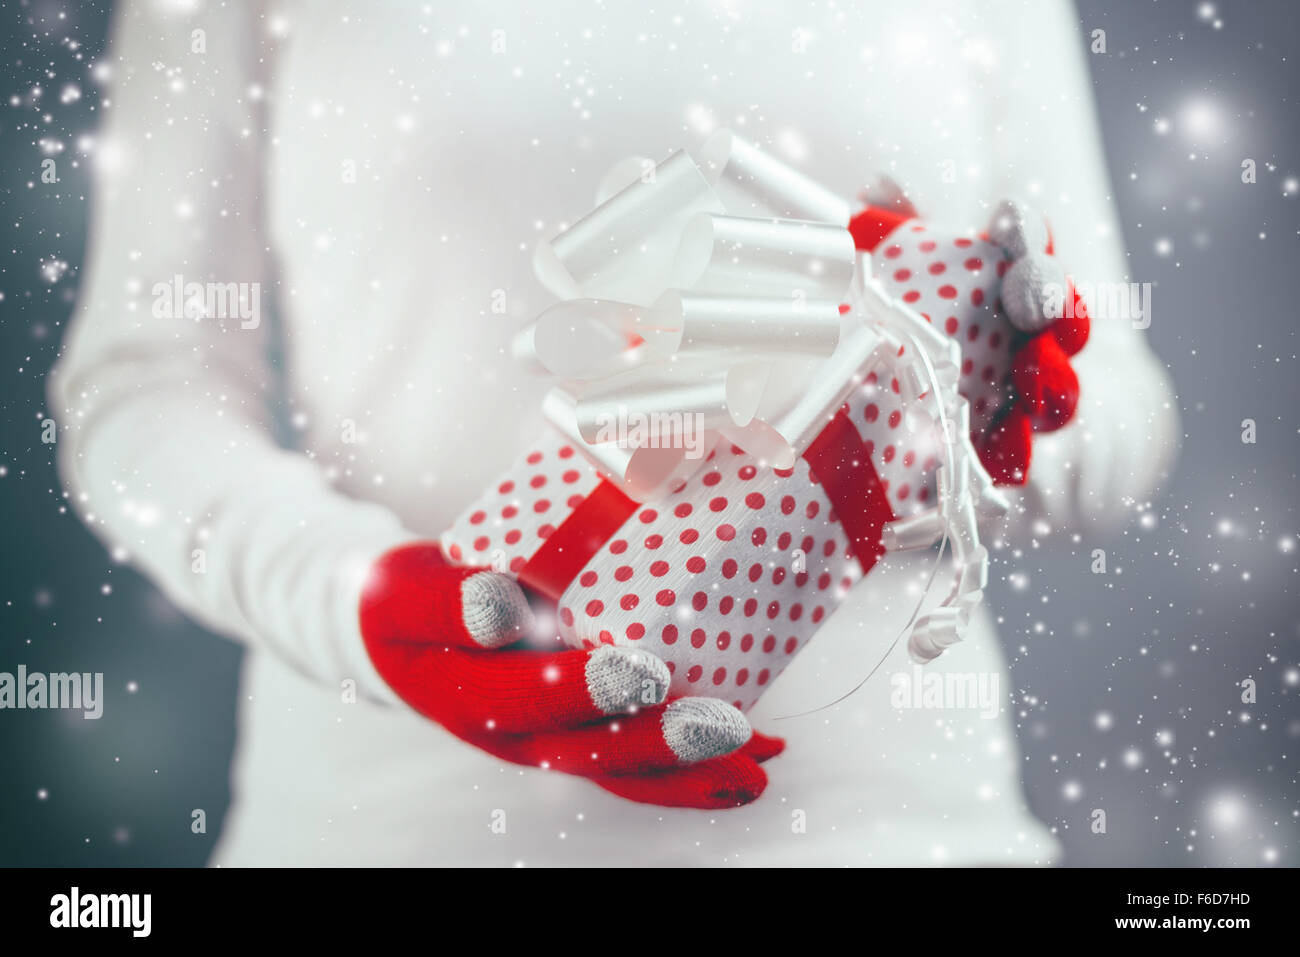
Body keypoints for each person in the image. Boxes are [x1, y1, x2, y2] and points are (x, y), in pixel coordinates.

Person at [50, 0, 1176, 865]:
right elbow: (143, 385)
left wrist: (981, 436)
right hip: (388, 833)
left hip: (891, 832)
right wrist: (353, 603)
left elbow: (1119, 396)